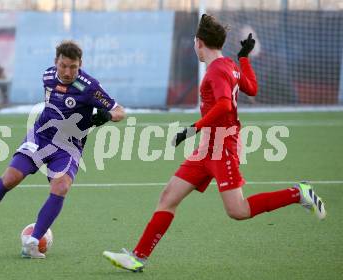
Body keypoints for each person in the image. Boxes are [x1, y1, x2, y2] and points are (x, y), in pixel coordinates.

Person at [102, 14, 326, 272]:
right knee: (168, 197)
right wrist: (244, 58)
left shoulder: (217, 71)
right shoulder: (228, 64)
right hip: (206, 149)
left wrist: (192, 129)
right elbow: (251, 88)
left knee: (238, 211)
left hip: (222, 148)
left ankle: (299, 193)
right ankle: (137, 257)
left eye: (194, 41)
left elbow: (224, 104)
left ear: (199, 42)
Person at [0, 40, 126, 258]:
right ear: (56, 62)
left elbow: (120, 111)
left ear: (80, 64)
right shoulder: (47, 76)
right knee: (11, 178)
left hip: (68, 146)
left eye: (73, 67)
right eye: (63, 65)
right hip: (40, 136)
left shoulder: (90, 87)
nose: (67, 72)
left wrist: (108, 115)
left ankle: (32, 243)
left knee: (61, 187)